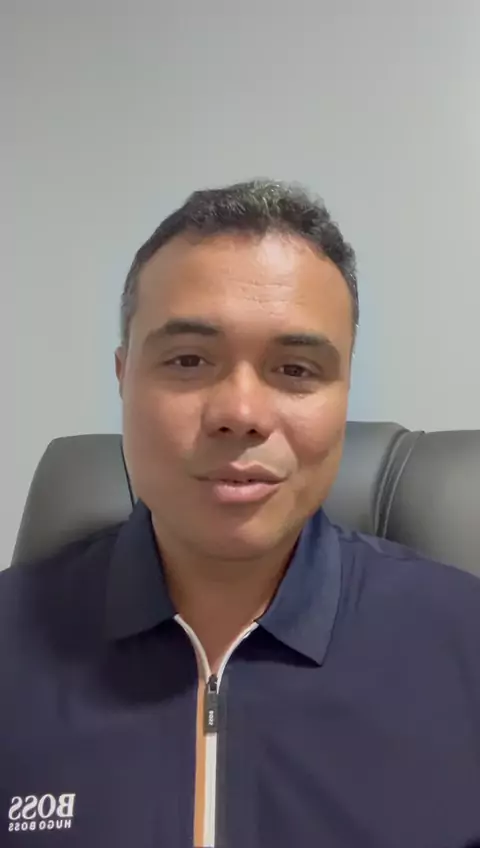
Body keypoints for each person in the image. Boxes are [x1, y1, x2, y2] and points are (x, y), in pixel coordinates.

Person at [1, 180, 479, 848]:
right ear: (123, 377)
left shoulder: (465, 645)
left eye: (296, 369)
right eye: (189, 360)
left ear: (344, 392)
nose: (241, 413)